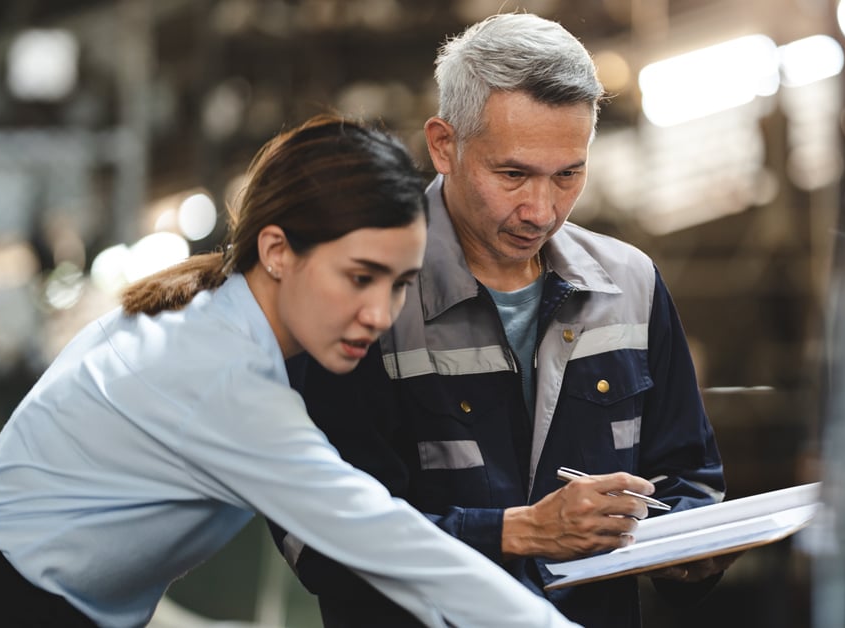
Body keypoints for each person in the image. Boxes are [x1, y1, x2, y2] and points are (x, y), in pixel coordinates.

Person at [0, 114, 580, 628]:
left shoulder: (195, 315)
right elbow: (391, 542)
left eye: (398, 285)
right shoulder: (220, 374)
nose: (378, 314)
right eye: (359, 278)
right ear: (277, 251)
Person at [271, 14, 731, 628]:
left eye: (568, 174)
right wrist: (520, 532)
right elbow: (319, 542)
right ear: (444, 145)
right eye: (512, 174)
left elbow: (689, 477)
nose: (541, 211)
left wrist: (688, 546)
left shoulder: (629, 286)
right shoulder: (359, 296)